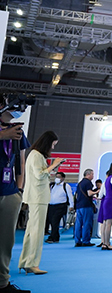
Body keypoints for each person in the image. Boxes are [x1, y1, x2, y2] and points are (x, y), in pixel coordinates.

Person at [18, 131, 63, 275]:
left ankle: (26, 262)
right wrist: (54, 164)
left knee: (32, 231)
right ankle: (32, 263)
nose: (53, 148)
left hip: (36, 197)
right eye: (53, 144)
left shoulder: (35, 155)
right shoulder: (37, 155)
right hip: (38, 197)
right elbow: (39, 175)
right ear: (47, 143)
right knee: (37, 232)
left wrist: (52, 167)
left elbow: (41, 173)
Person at [0, 105, 30, 293]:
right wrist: (3, 135)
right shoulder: (7, 133)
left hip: (9, 192)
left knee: (5, 242)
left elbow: (21, 161)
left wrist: (19, 189)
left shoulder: (17, 131)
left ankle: (2, 283)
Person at [97, 161, 112, 250]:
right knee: (108, 224)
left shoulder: (108, 178)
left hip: (107, 201)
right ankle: (107, 243)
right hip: (111, 201)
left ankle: (104, 243)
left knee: (105, 223)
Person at [73, 169, 99, 247]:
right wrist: (96, 192)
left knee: (78, 224)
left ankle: (77, 241)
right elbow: (89, 193)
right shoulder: (88, 183)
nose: (93, 176)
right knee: (87, 223)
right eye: (92, 174)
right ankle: (86, 241)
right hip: (86, 206)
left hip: (79, 206)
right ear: (88, 174)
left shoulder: (80, 183)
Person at [45, 171, 73, 244]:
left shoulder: (66, 186)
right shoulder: (52, 185)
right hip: (51, 206)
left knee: (55, 221)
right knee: (51, 221)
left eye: (59, 177)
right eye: (56, 177)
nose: (57, 178)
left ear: (63, 178)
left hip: (60, 206)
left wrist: (71, 205)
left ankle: (52, 237)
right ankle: (56, 236)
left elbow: (70, 196)